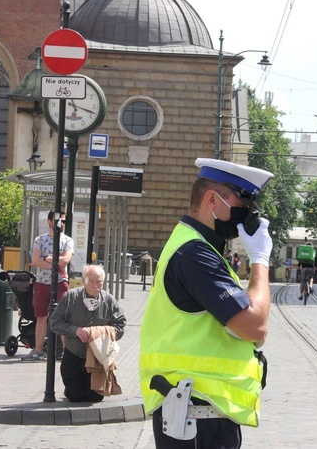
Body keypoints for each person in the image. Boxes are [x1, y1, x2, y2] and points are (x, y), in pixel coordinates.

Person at [139, 158, 273, 448]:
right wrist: (260, 260)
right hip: (195, 416)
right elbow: (255, 326)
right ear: (212, 200)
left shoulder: (199, 247)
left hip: (202, 412)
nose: (247, 215)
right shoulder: (194, 253)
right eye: (242, 204)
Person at [50, 265, 127, 402]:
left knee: (95, 398)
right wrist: (76, 331)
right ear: (83, 280)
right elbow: (55, 323)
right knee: (75, 396)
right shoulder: (70, 297)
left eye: (99, 282)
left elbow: (121, 325)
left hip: (97, 358)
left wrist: (101, 333)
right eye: (91, 281)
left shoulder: (108, 300)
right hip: (74, 355)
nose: (95, 285)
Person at [24, 210, 74, 361]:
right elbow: (36, 261)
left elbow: (65, 260)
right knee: (41, 317)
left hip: (60, 282)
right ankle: (38, 351)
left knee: (64, 317)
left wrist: (46, 258)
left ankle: (67, 352)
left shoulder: (67, 240)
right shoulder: (40, 240)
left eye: (64, 221)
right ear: (50, 222)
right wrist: (52, 261)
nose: (61, 224)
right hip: (42, 282)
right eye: (59, 221)